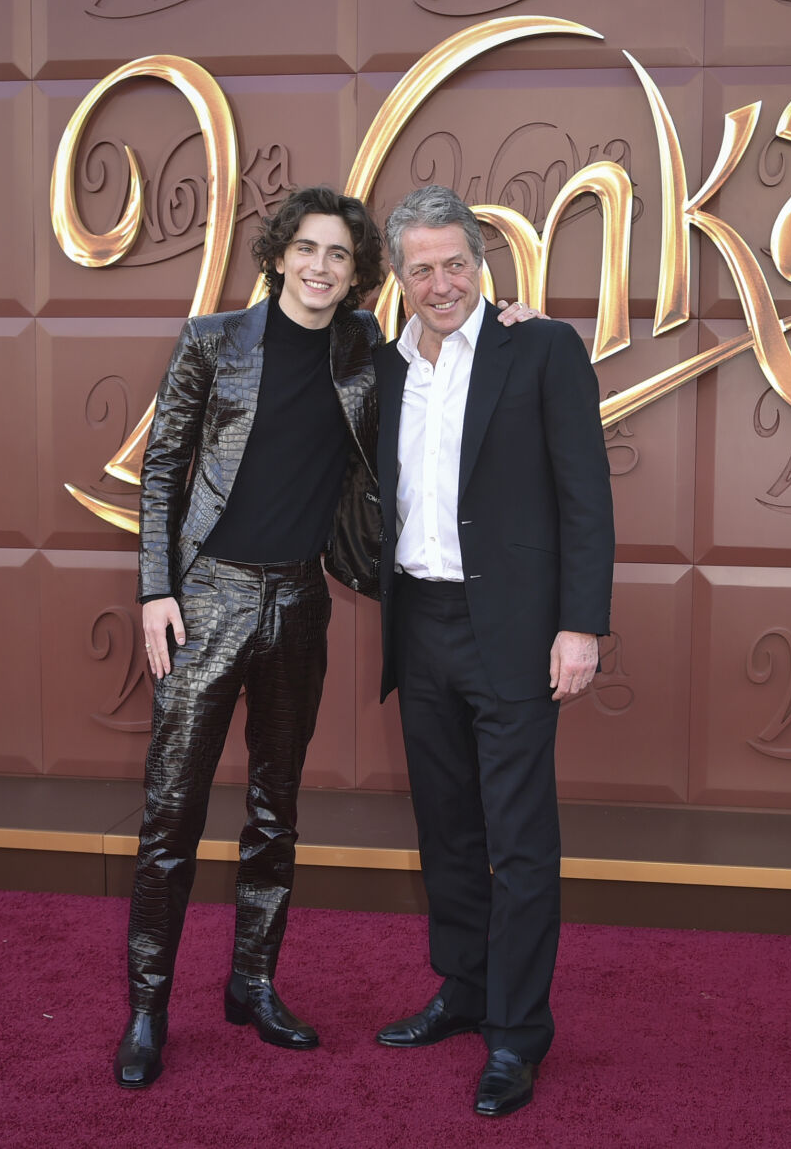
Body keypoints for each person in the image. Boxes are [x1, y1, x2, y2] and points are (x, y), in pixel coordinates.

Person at [115, 184, 537, 1090]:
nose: (319, 266)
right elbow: (161, 469)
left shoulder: (363, 357)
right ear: (277, 257)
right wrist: (156, 588)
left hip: (299, 606)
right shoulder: (210, 344)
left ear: (357, 275)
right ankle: (147, 1008)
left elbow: (447, 380)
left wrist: (508, 322)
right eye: (306, 249)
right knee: (170, 818)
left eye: (339, 255)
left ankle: (253, 985)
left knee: (275, 813)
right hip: (208, 601)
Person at [371, 185, 615, 1117]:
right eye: (422, 268)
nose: (442, 283)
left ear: (485, 264)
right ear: (399, 279)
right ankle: (464, 990)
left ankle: (517, 1035)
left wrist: (580, 624)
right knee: (448, 833)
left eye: (456, 263)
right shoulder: (383, 366)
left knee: (518, 844)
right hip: (420, 627)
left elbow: (585, 498)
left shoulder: (542, 348)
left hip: (513, 632)